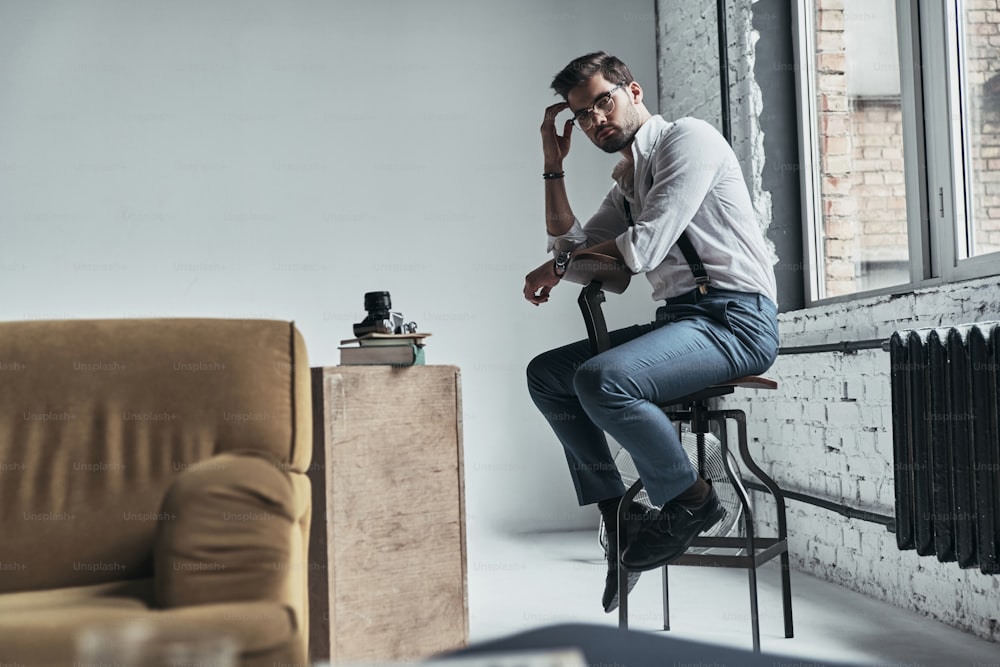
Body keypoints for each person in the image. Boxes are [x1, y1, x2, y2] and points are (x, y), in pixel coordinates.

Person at [523, 52, 779, 613]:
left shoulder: (689, 141)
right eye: (582, 116)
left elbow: (640, 249)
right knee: (548, 374)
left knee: (601, 380)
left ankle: (692, 501)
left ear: (633, 91)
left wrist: (563, 267)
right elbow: (574, 253)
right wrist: (552, 163)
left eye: (602, 103)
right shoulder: (629, 178)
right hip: (682, 323)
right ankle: (620, 515)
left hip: (735, 320)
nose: (596, 121)